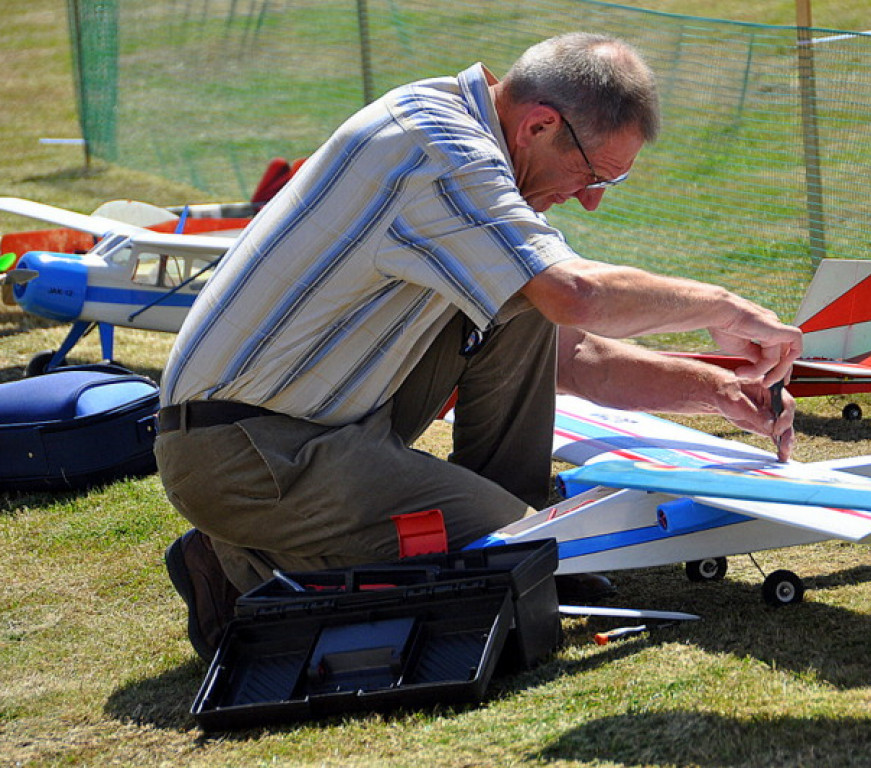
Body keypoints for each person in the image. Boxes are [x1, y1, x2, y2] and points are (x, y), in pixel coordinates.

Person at [156, 32, 802, 661]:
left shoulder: (461, 132)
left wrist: (718, 390)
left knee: (524, 310)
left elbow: (572, 354)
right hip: (245, 450)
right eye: (591, 173)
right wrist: (724, 306)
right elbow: (578, 295)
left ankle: (515, 525)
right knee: (525, 561)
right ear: (539, 126)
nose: (591, 200)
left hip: (308, 427)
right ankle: (243, 561)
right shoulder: (440, 151)